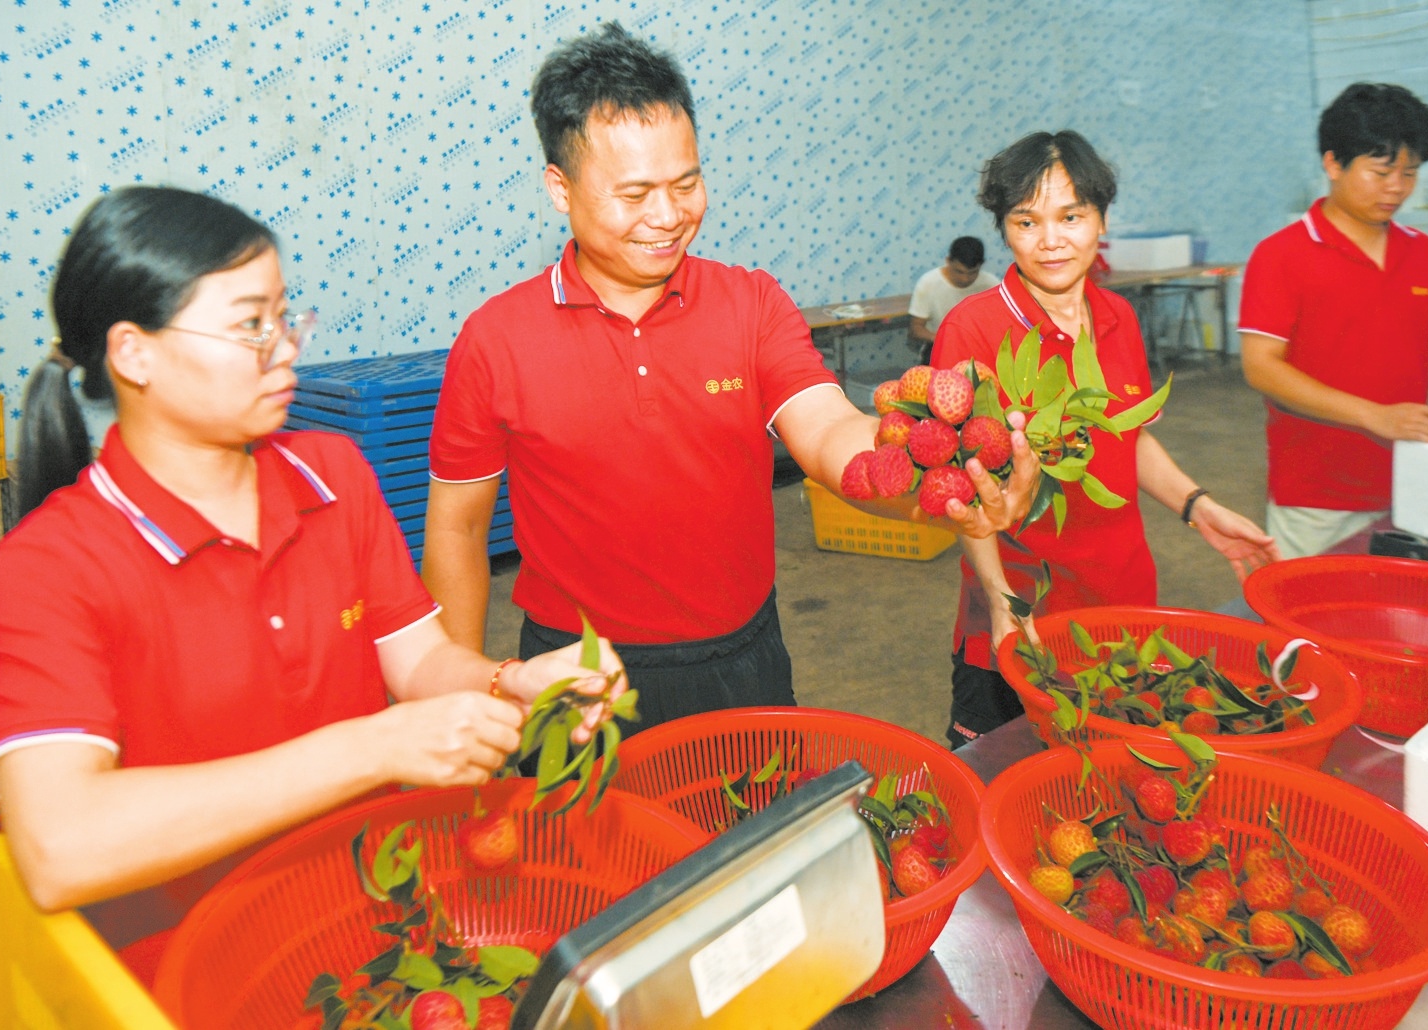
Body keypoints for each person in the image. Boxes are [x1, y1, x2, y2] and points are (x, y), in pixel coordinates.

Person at [0, 186, 621, 977]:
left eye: (284, 317)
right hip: (190, 970)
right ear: (133, 353)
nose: (284, 348)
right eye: (249, 325)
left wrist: (508, 682)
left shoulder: (331, 478)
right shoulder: (49, 568)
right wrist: (373, 747)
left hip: (368, 929)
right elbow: (60, 846)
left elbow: (416, 660)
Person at [423, 23, 1040, 737]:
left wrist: (945, 485)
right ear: (559, 188)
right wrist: (456, 699)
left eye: (686, 183)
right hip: (573, 676)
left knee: (754, 844)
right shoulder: (496, 339)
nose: (667, 216)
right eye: (633, 194)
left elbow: (828, 431)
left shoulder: (750, 304)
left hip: (743, 659)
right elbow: (459, 530)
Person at [931, 130, 1279, 748]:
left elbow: (1126, 438)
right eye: (1026, 221)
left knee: (1111, 780)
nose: (1051, 240)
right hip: (1021, 612)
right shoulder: (974, 329)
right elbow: (960, 486)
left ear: (1101, 219)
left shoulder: (1116, 319)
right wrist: (999, 595)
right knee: (1001, 782)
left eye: (1071, 216)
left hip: (1121, 603)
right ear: (1004, 229)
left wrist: (1198, 507)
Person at [1239, 82, 1428, 559]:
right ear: (1333, 163)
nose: (1397, 188)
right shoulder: (1282, 255)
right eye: (1381, 172)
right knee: (1308, 620)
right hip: (1318, 495)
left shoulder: (1420, 251)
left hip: (1414, 479)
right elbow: (1262, 367)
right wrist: (1377, 416)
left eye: (1409, 173)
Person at [908, 236, 998, 363]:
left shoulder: (991, 285)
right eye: (959, 272)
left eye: (972, 273)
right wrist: (943, 339)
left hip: (978, 349)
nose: (965, 279)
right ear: (948, 261)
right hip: (939, 346)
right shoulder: (928, 283)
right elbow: (915, 330)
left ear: (981, 265)